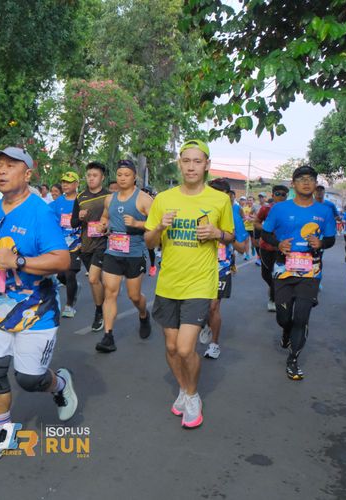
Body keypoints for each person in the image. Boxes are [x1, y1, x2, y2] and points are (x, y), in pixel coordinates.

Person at [0, 146, 77, 463]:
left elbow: (62, 260)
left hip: (37, 309)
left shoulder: (41, 212)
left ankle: (59, 384)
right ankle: (4, 433)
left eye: (10, 165)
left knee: (29, 380)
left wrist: (18, 261)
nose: (1, 171)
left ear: (27, 174)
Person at [144, 139, 234, 429]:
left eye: (197, 161)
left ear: (207, 165)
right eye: (186, 161)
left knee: (185, 348)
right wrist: (160, 226)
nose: (191, 166)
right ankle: (183, 389)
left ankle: (193, 396)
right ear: (179, 164)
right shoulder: (163, 199)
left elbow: (231, 236)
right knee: (171, 348)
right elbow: (149, 241)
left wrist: (217, 233)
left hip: (199, 284)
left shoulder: (219, 200)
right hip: (168, 284)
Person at [261, 164, 336, 380]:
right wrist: (278, 244)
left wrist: (321, 243)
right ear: (293, 184)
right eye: (301, 179)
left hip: (311, 271)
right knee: (283, 317)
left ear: (315, 184)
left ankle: (293, 360)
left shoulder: (324, 211)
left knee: (302, 317)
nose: (306, 182)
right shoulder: (279, 209)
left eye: (310, 179)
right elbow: (265, 233)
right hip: (284, 268)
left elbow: (330, 238)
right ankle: (286, 330)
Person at [94, 159, 153, 353]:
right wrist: (103, 225)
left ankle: (143, 315)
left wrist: (137, 224)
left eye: (126, 175)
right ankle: (108, 336)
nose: (122, 178)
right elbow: (105, 216)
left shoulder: (144, 199)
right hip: (113, 251)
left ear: (134, 177)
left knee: (134, 296)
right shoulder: (110, 199)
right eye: (119, 175)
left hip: (135, 253)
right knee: (110, 292)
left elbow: (157, 225)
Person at [201, 178, 249, 359]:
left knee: (213, 307)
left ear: (229, 197)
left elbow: (242, 248)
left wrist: (222, 235)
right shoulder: (201, 212)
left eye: (221, 196)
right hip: (198, 266)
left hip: (220, 267)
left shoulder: (234, 217)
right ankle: (206, 322)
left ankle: (214, 345)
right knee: (201, 306)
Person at [71, 161, 110, 331]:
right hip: (86, 245)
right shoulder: (80, 197)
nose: (91, 178)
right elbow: (73, 223)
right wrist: (79, 217)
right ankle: (105, 302)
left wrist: (107, 227)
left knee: (93, 278)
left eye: (95, 175)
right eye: (89, 175)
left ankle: (99, 312)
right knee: (97, 281)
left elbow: (115, 219)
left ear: (102, 177)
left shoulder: (109, 196)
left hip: (104, 243)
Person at [49, 171, 82, 318]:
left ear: (76, 184)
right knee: (61, 276)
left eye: (68, 182)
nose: (65, 185)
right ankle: (74, 286)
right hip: (61, 244)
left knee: (69, 273)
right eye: (63, 182)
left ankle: (69, 306)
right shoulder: (57, 202)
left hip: (77, 243)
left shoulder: (81, 200)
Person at [254, 185, 289, 311]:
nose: (280, 197)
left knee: (277, 274)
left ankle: (273, 299)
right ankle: (274, 288)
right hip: (266, 246)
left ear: (287, 196)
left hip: (283, 248)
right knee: (265, 274)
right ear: (273, 195)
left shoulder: (291, 209)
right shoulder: (266, 209)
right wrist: (266, 229)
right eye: (278, 194)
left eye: (283, 194)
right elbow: (256, 222)